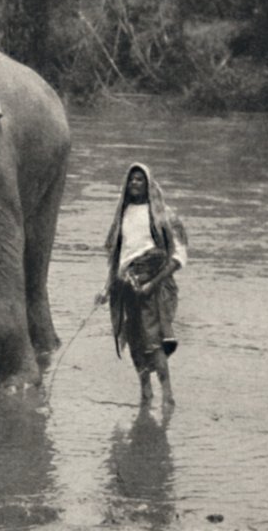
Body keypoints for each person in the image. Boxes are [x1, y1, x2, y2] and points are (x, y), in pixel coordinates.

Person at [95, 163, 189, 406]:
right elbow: (118, 256)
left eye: (140, 180)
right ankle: (145, 393)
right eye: (131, 180)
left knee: (154, 343)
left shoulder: (162, 215)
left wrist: (152, 283)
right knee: (135, 341)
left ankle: (168, 396)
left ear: (148, 184)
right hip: (126, 284)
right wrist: (106, 288)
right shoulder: (122, 215)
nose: (135, 184)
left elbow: (179, 257)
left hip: (154, 288)